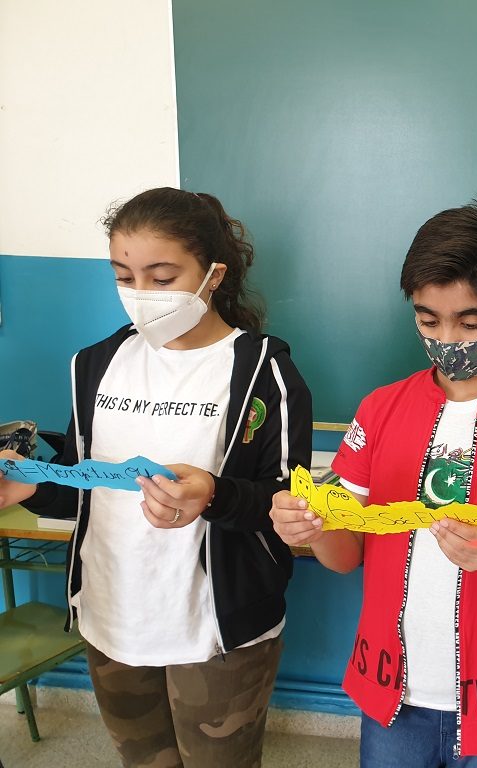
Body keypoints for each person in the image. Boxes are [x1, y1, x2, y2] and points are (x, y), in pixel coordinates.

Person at [0, 187, 312, 767]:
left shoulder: (262, 370)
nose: (140, 294)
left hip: (213, 628)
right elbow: (87, 487)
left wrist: (214, 494)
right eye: (124, 276)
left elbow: (290, 503)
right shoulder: (95, 364)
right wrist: (32, 484)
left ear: (213, 275)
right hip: (110, 613)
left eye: (162, 277)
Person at [270, 199, 477, 766]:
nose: (448, 339)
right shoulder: (380, 410)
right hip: (391, 697)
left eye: (471, 322)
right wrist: (311, 526)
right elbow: (345, 555)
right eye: (428, 321)